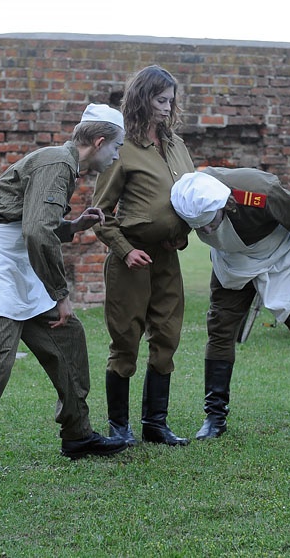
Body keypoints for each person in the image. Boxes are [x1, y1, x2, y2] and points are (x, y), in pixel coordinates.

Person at [0, 104, 129, 498]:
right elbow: (35, 233)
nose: (117, 155)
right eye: (116, 147)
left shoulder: (61, 164)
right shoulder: (58, 165)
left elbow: (39, 226)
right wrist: (60, 294)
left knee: (68, 339)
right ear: (99, 142)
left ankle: (78, 435)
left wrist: (75, 226)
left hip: (14, 257)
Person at [170, 167, 290, 440]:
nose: (205, 230)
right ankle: (215, 417)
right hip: (232, 261)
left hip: (281, 255)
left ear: (225, 205)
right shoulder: (184, 198)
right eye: (199, 227)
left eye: (209, 222)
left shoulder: (259, 192)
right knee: (220, 330)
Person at [92, 65, 196, 447]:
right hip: (131, 261)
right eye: (160, 100)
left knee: (167, 336)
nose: (168, 108)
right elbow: (99, 216)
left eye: (171, 101)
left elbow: (191, 198)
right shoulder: (122, 149)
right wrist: (126, 250)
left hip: (167, 258)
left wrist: (180, 236)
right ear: (141, 100)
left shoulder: (177, 146)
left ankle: (156, 423)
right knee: (125, 342)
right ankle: (120, 427)